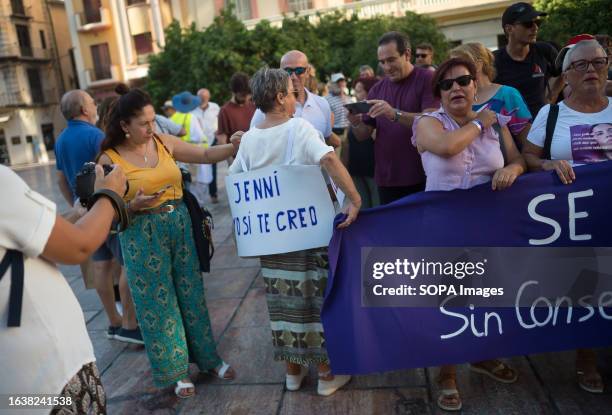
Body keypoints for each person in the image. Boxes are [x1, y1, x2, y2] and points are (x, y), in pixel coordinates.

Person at [97, 86, 241, 398]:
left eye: (152, 120)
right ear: (124, 126)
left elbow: (203, 154)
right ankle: (174, 372)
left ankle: (208, 359)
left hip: (179, 224)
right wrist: (133, 205)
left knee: (191, 294)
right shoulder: (108, 160)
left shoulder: (162, 141)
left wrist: (231, 146)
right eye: (144, 124)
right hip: (140, 233)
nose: (152, 128)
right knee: (158, 304)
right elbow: (102, 212)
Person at [230, 67, 361, 396]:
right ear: (279, 98)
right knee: (317, 299)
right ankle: (327, 374)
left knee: (283, 302)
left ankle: (292, 373)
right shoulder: (298, 129)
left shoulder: (250, 139)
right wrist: (355, 198)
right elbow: (329, 160)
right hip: (309, 232)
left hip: (272, 239)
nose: (294, 97)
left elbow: (236, 180)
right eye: (290, 92)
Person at [413, 57, 526, 411]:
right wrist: (479, 123)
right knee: (449, 301)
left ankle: (481, 356)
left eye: (463, 81)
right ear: (440, 94)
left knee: (487, 295)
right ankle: (446, 373)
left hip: (488, 225)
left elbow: (519, 159)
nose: (456, 89)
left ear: (476, 85)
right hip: (443, 228)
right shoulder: (427, 123)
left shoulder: (498, 123)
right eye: (446, 85)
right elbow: (447, 147)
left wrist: (512, 169)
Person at [1, 161, 127, 413]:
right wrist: (110, 194)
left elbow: (29, 237)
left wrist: (80, 214)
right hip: (49, 378)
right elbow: (78, 246)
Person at [522, 39, 610, 394]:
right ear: (567, 76)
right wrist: (547, 163)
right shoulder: (551, 114)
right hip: (571, 218)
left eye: (599, 63)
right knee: (585, 286)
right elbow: (528, 156)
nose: (591, 70)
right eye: (581, 65)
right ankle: (586, 356)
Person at [55, 90, 138, 344]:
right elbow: (114, 169)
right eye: (92, 102)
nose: (96, 106)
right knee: (127, 262)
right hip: (106, 205)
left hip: (84, 206)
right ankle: (130, 325)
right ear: (83, 109)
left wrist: (78, 206)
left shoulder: (61, 140)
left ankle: (113, 322)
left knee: (101, 266)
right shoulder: (95, 136)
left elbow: (61, 179)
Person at [348, 31, 439, 205]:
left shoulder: (427, 78)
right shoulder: (376, 89)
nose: (386, 67)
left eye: (391, 60)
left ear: (407, 54)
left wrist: (393, 114)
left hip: (422, 175)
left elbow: (432, 120)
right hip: (387, 179)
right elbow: (363, 134)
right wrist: (355, 123)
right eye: (382, 62)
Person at [250, 51, 341, 148]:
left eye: (299, 70)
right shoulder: (268, 108)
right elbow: (253, 145)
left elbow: (327, 139)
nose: (293, 76)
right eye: (287, 71)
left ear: (307, 72)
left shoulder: (322, 104)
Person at [450, 42, 533, 148]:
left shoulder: (508, 95)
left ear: (478, 65)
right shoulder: (456, 98)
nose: (452, 70)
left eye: (458, 64)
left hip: (507, 163)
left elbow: (528, 144)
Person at [493, 2, 562, 117]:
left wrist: (552, 97)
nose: (535, 27)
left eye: (537, 22)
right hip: (511, 130)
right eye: (528, 23)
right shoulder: (493, 60)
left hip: (541, 126)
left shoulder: (544, 50)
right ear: (509, 29)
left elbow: (565, 73)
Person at [343, 76, 380, 208]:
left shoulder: (377, 111)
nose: (356, 95)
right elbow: (347, 142)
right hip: (356, 169)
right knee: (362, 206)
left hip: (374, 170)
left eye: (359, 91)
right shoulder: (355, 113)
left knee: (377, 205)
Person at [191, 88, 221, 203]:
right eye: (201, 97)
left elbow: (219, 120)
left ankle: (213, 193)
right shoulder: (193, 109)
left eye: (205, 96)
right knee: (200, 170)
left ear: (209, 97)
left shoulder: (215, 107)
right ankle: (200, 196)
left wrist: (218, 132)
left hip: (212, 140)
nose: (203, 99)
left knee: (212, 168)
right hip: (198, 144)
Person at [218, 72, 256, 149]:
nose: (246, 98)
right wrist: (232, 161)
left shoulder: (254, 107)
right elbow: (222, 142)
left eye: (248, 95)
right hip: (236, 157)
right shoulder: (225, 111)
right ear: (234, 92)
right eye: (243, 95)